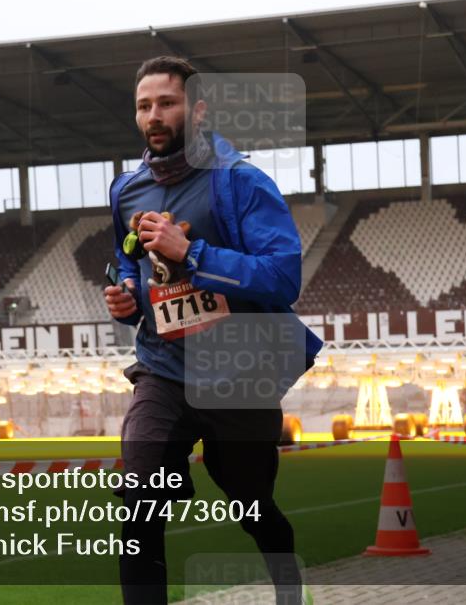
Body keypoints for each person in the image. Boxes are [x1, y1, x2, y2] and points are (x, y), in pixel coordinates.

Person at [104, 56, 322, 605]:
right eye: (143, 106)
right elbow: (128, 260)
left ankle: (290, 592)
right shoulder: (126, 191)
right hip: (162, 369)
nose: (154, 116)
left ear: (197, 111)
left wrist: (193, 253)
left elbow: (282, 276)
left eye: (167, 104)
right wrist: (127, 297)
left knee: (253, 506)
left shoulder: (241, 182)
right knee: (139, 503)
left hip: (237, 375)